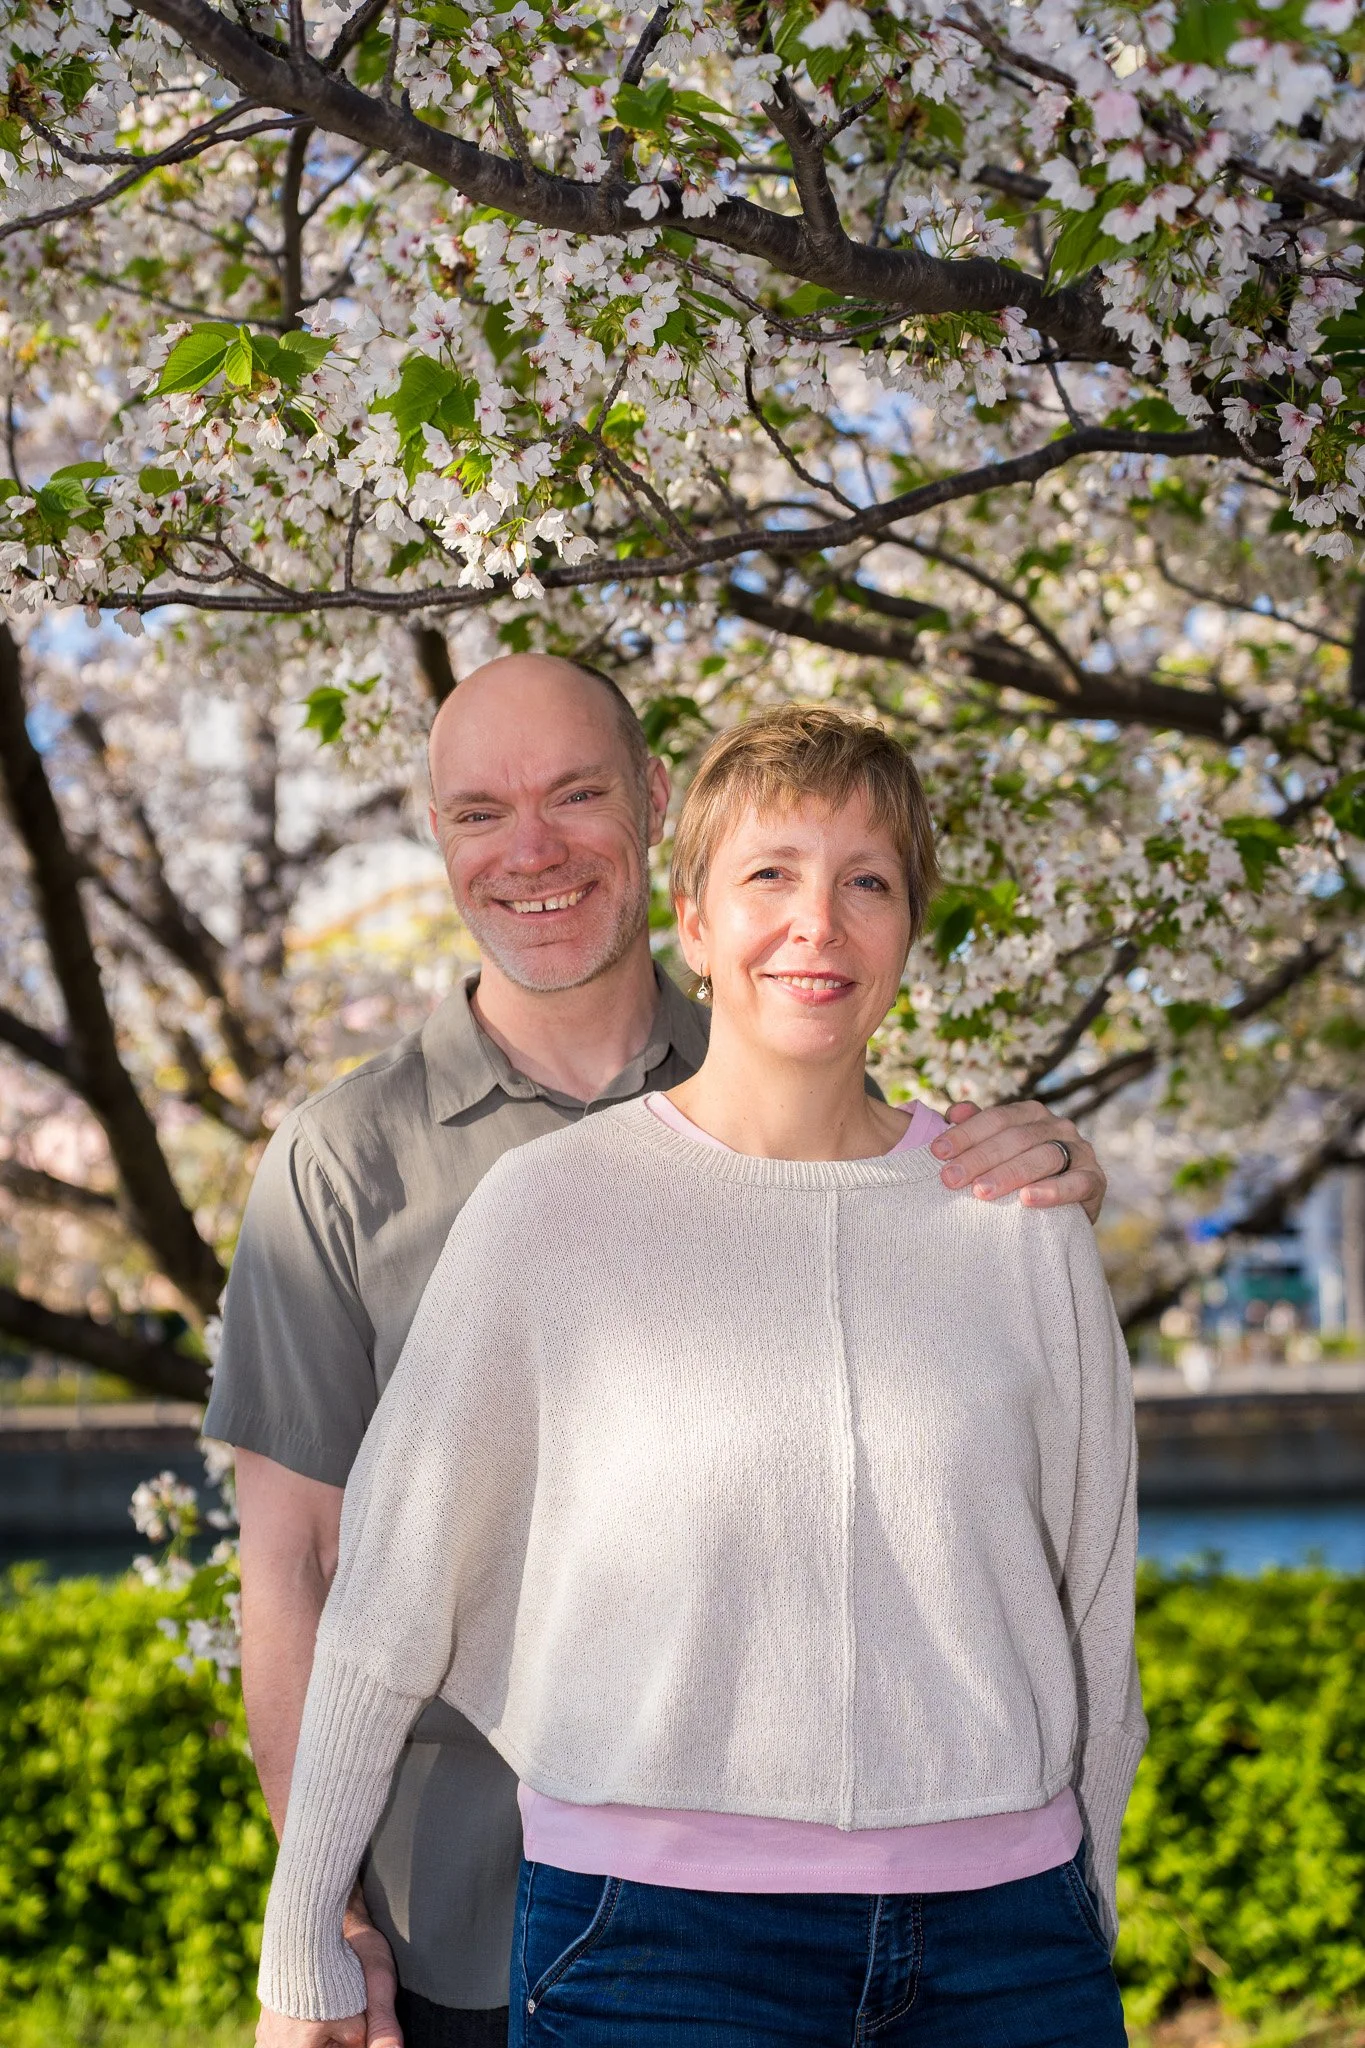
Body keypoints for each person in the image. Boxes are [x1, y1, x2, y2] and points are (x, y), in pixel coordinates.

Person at [206, 657, 1109, 2048]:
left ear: (648, 812)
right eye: (771, 881)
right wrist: (308, 1931)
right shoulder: (442, 1181)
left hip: (1003, 1935)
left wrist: (1081, 1894)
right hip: (623, 1926)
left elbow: (1091, 1590)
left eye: (869, 882)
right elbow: (341, 1573)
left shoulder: (1007, 1209)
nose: (815, 923)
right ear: (701, 912)